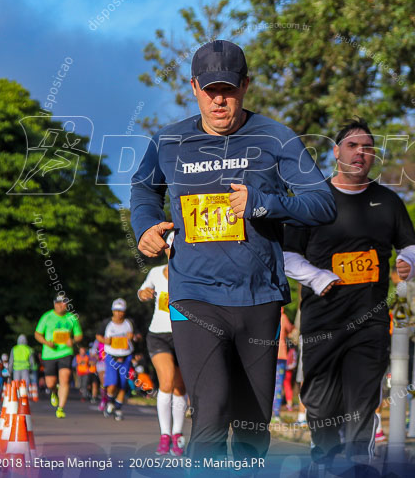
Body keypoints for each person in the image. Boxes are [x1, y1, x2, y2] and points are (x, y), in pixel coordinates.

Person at [130, 39, 336, 462]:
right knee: (212, 409)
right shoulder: (169, 142)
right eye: (210, 90)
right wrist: (146, 226)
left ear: (245, 85)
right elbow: (143, 187)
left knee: (251, 422)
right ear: (193, 88)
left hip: (258, 296)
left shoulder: (276, 137)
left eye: (228, 88)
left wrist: (265, 203)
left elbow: (322, 204)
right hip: (195, 295)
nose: (219, 99)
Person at [284, 118, 415, 473]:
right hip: (321, 320)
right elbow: (286, 256)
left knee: (363, 397)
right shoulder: (312, 199)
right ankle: (326, 456)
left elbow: (411, 245)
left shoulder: (388, 201)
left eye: (367, 148)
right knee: (320, 402)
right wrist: (316, 276)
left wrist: (408, 261)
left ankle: (360, 461)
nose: (360, 153)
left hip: (370, 320)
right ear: (336, 152)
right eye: (352, 146)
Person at [137, 234, 187, 456]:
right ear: (165, 249)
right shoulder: (156, 273)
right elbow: (142, 291)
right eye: (170, 247)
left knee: (180, 387)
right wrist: (144, 293)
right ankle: (165, 435)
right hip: (159, 335)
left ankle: (177, 434)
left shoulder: (191, 275)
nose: (174, 251)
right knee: (166, 382)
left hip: (186, 335)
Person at [34, 295, 83, 419]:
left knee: (65, 378)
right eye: (58, 303)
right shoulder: (47, 317)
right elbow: (37, 334)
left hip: (65, 352)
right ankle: (54, 391)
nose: (61, 305)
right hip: (49, 353)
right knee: (50, 383)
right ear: (54, 304)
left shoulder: (71, 318)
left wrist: (72, 340)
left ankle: (60, 408)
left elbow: (79, 335)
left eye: (64, 303)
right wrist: (46, 342)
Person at [95, 298, 134, 421]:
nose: (119, 313)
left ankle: (118, 408)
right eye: (116, 311)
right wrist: (104, 340)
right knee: (112, 384)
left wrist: (134, 337)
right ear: (113, 311)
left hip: (126, 356)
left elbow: (138, 336)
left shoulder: (129, 323)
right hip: (111, 357)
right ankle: (110, 401)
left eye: (121, 311)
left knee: (122, 384)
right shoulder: (107, 323)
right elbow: (98, 335)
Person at [271, 307, 295, 421]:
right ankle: (275, 413)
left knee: (268, 384)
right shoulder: (283, 317)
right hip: (281, 355)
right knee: (278, 385)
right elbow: (290, 330)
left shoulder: (268, 315)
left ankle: (267, 412)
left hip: (268, 355)